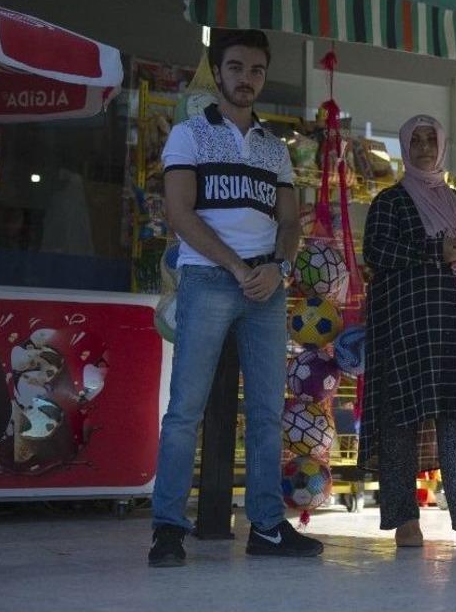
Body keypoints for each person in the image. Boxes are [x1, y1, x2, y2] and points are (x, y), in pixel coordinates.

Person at [148, 28, 322, 567]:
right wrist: (238, 266)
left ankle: (267, 526)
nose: (246, 78)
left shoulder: (275, 149)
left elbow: (290, 221)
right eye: (236, 67)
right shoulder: (188, 136)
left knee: (269, 410)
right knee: (185, 411)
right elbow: (180, 214)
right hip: (209, 279)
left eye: (256, 70)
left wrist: (279, 267)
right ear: (218, 72)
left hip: (267, 288)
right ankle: (168, 529)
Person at [359, 114, 456, 548]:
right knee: (400, 417)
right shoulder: (389, 202)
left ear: (442, 145)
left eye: (432, 138)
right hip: (402, 323)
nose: (425, 146)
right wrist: (437, 251)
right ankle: (403, 520)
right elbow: (376, 249)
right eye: (417, 139)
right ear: (405, 147)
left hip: (451, 325)